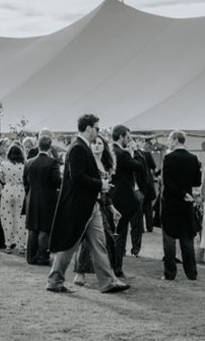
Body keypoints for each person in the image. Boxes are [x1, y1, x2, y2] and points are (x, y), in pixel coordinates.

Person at [46, 114, 129, 294]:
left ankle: (108, 281)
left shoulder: (81, 147)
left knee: (99, 244)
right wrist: (101, 184)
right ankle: (54, 280)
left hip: (91, 204)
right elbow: (77, 177)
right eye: (97, 128)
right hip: (79, 205)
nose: (98, 132)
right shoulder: (77, 148)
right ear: (89, 128)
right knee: (70, 244)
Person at [73, 135, 124, 285]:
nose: (96, 146)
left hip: (102, 205)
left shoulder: (106, 164)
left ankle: (109, 274)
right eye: (94, 143)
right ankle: (80, 274)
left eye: (99, 143)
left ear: (104, 146)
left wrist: (112, 208)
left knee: (107, 239)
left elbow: (105, 191)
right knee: (86, 241)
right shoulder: (89, 163)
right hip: (88, 204)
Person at [160, 130, 202, 281]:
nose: (168, 142)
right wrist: (186, 193)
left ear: (176, 140)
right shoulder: (193, 158)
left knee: (169, 240)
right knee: (187, 239)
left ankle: (170, 273)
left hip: (171, 202)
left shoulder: (168, 158)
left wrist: (180, 193)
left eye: (170, 139)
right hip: (186, 203)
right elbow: (197, 182)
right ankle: (191, 273)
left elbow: (167, 183)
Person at [23, 134, 61, 265]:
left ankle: (31, 257)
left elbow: (25, 182)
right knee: (44, 228)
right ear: (50, 147)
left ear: (38, 146)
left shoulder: (29, 162)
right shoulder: (52, 162)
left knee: (32, 228)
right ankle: (42, 257)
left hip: (32, 197)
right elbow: (57, 181)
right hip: (47, 197)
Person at [110, 125, 144, 268]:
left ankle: (112, 265)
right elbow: (139, 166)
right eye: (128, 137)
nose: (129, 140)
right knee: (120, 233)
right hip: (122, 197)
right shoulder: (122, 153)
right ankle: (117, 267)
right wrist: (135, 151)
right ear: (122, 137)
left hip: (111, 194)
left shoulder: (110, 150)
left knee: (113, 231)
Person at [0, 144, 28, 254]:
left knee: (7, 217)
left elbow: (2, 179)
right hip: (20, 190)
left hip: (8, 190)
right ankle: (22, 245)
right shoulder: (24, 165)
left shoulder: (4, 164)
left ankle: (8, 244)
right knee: (20, 219)